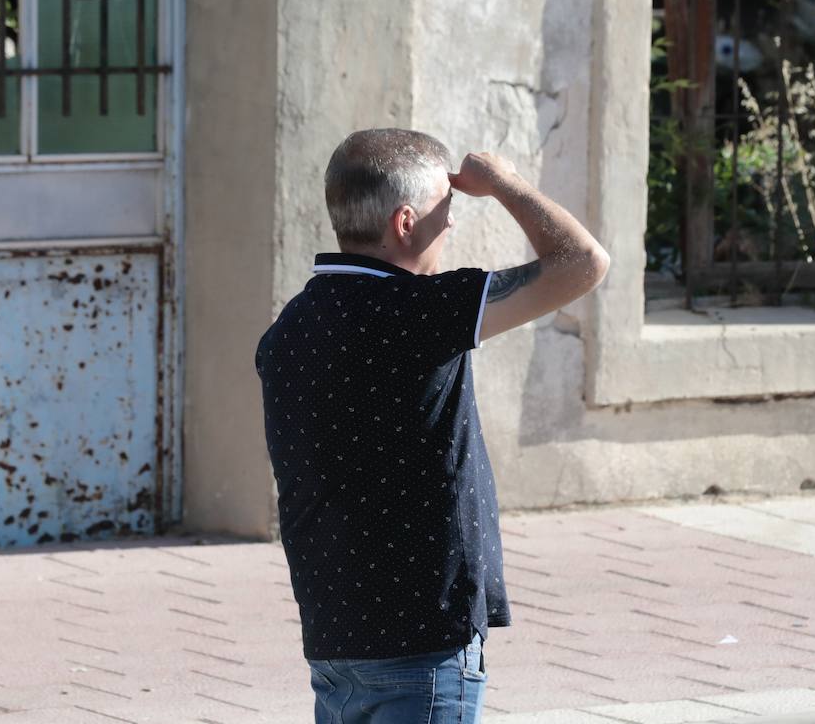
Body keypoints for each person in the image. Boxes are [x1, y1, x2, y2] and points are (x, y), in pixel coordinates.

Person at [255, 128, 610, 724]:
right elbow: (582, 263)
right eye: (446, 215)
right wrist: (502, 183)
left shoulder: (293, 326)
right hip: (421, 643)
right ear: (404, 223)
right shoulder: (419, 312)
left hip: (336, 635)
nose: (450, 229)